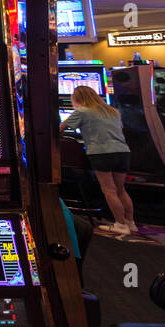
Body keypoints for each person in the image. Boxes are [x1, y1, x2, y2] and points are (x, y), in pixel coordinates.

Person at [60, 85, 137, 237]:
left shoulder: (82, 111)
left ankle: (120, 224)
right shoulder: (112, 111)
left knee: (109, 190)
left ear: (77, 98)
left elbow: (61, 128)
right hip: (122, 151)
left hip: (101, 152)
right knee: (120, 189)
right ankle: (130, 222)